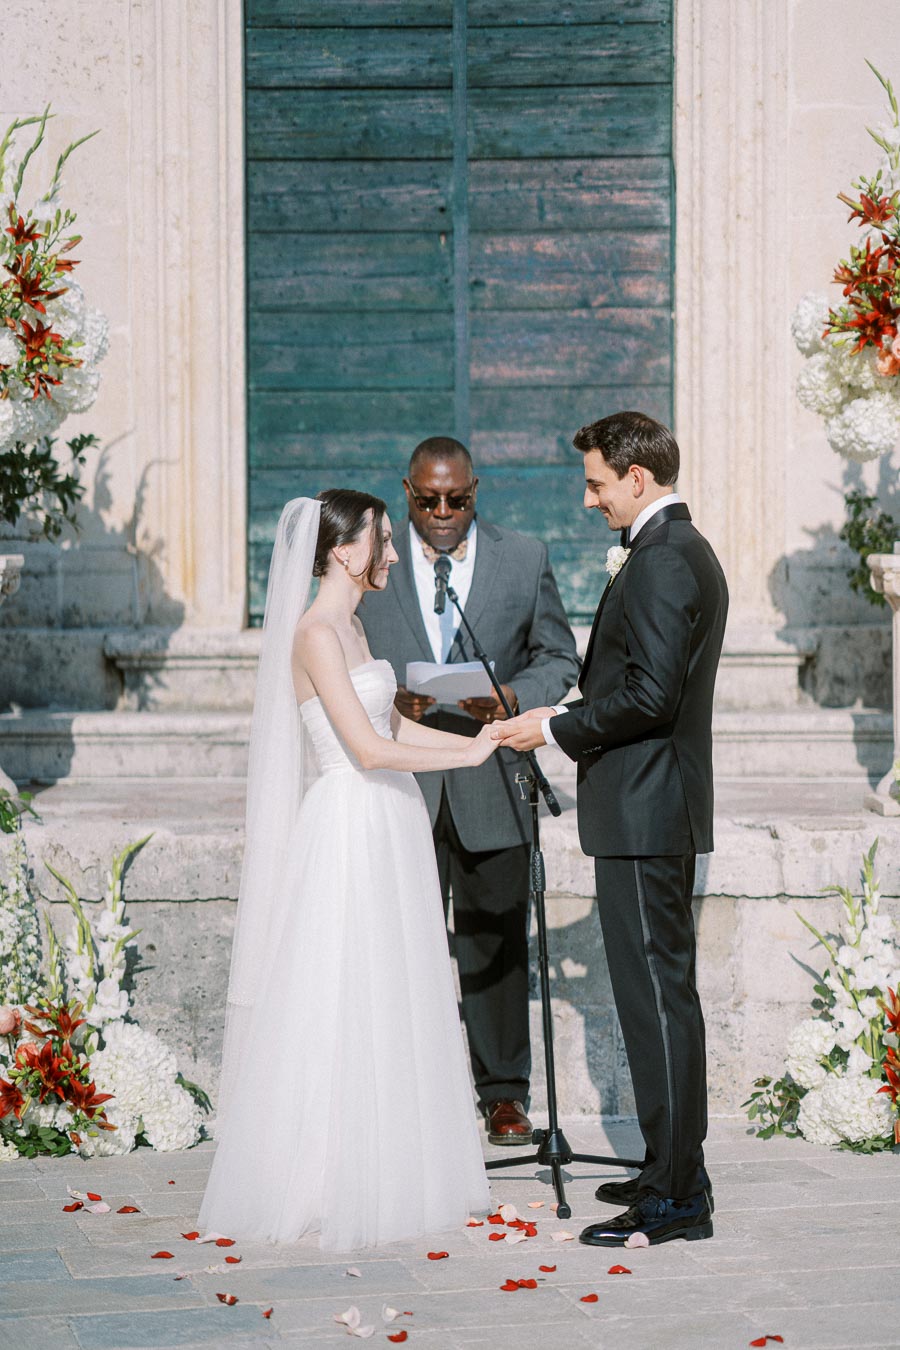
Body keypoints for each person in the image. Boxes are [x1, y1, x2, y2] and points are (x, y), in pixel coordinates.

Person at [199, 490, 493, 1251]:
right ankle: (323, 1174)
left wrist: (484, 744)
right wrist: (465, 755)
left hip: (389, 816)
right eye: (382, 542)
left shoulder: (356, 627)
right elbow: (363, 749)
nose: (393, 554)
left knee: (392, 989)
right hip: (350, 820)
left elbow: (395, 726)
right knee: (340, 990)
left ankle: (393, 1163)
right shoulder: (316, 633)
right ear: (342, 550)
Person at [492, 412, 728, 1248]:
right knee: (658, 995)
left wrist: (554, 727)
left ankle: (676, 1198)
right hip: (647, 805)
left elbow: (653, 695)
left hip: (645, 809)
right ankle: (675, 1166)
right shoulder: (672, 549)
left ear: (638, 479)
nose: (588, 498)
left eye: (596, 482)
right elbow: (640, 685)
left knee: (659, 1001)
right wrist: (562, 714)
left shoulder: (665, 559)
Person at [359, 438, 579, 1145]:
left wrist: (513, 694)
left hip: (493, 784)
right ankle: (397, 1092)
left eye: (459, 499)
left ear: (477, 490)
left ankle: (505, 1094)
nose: (445, 512)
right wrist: (391, 698)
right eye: (429, 501)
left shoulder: (525, 557)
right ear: (407, 492)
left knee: (496, 943)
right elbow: (343, 660)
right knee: (396, 944)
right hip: (403, 785)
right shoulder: (369, 569)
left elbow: (560, 657)